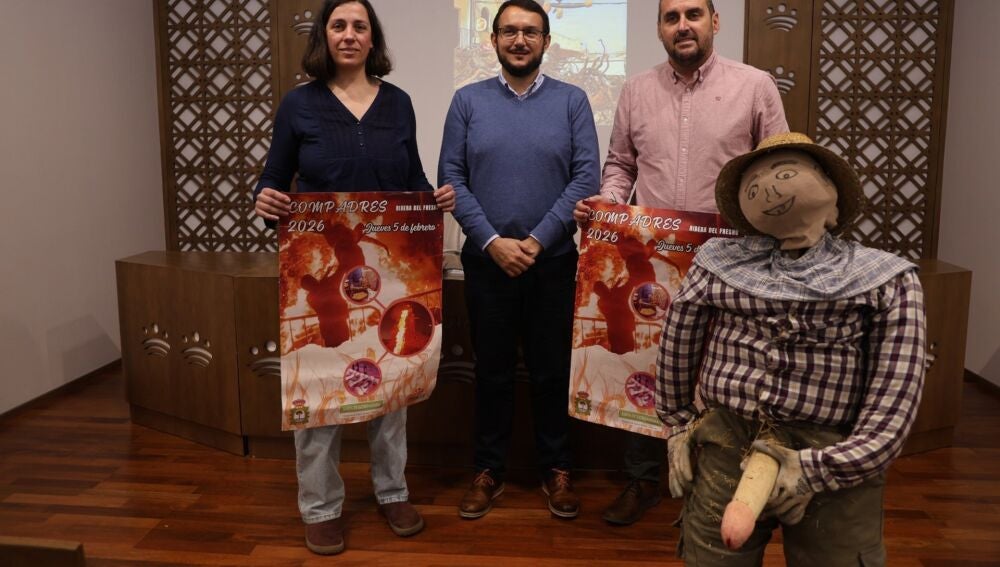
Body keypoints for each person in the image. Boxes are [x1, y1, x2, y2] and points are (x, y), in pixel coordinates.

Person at [658, 132, 926, 565]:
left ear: (831, 190)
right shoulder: (717, 262)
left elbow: (896, 393)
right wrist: (677, 425)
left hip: (834, 447)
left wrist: (830, 466)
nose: (768, 189)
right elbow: (679, 338)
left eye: (785, 174)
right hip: (727, 436)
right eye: (753, 186)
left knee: (836, 558)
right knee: (711, 555)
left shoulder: (885, 278)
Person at [572, 0, 789, 526]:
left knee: (723, 370)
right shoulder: (636, 90)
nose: (683, 25)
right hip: (651, 263)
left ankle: (717, 485)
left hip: (731, 261)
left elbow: (780, 168)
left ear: (715, 22)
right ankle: (643, 479)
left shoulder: (755, 86)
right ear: (660, 29)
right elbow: (621, 165)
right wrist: (607, 203)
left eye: (694, 14)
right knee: (647, 363)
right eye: (671, 17)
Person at [252, 0, 455, 555]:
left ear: (372, 39)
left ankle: (393, 491)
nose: (348, 35)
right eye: (338, 25)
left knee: (391, 378)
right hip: (320, 270)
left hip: (387, 270)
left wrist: (433, 199)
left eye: (359, 26)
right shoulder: (298, 104)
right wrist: (265, 199)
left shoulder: (399, 103)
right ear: (324, 36)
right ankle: (320, 506)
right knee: (319, 382)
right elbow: (274, 178)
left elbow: (412, 178)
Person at [438, 0, 600, 520]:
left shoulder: (573, 101)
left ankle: (557, 469)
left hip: (553, 264)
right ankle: (488, 470)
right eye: (509, 31)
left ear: (546, 41)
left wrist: (536, 240)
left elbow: (586, 178)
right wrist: (492, 241)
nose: (519, 40)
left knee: (552, 372)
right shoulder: (467, 101)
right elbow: (451, 179)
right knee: (492, 373)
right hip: (487, 263)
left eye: (531, 31)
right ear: (493, 40)